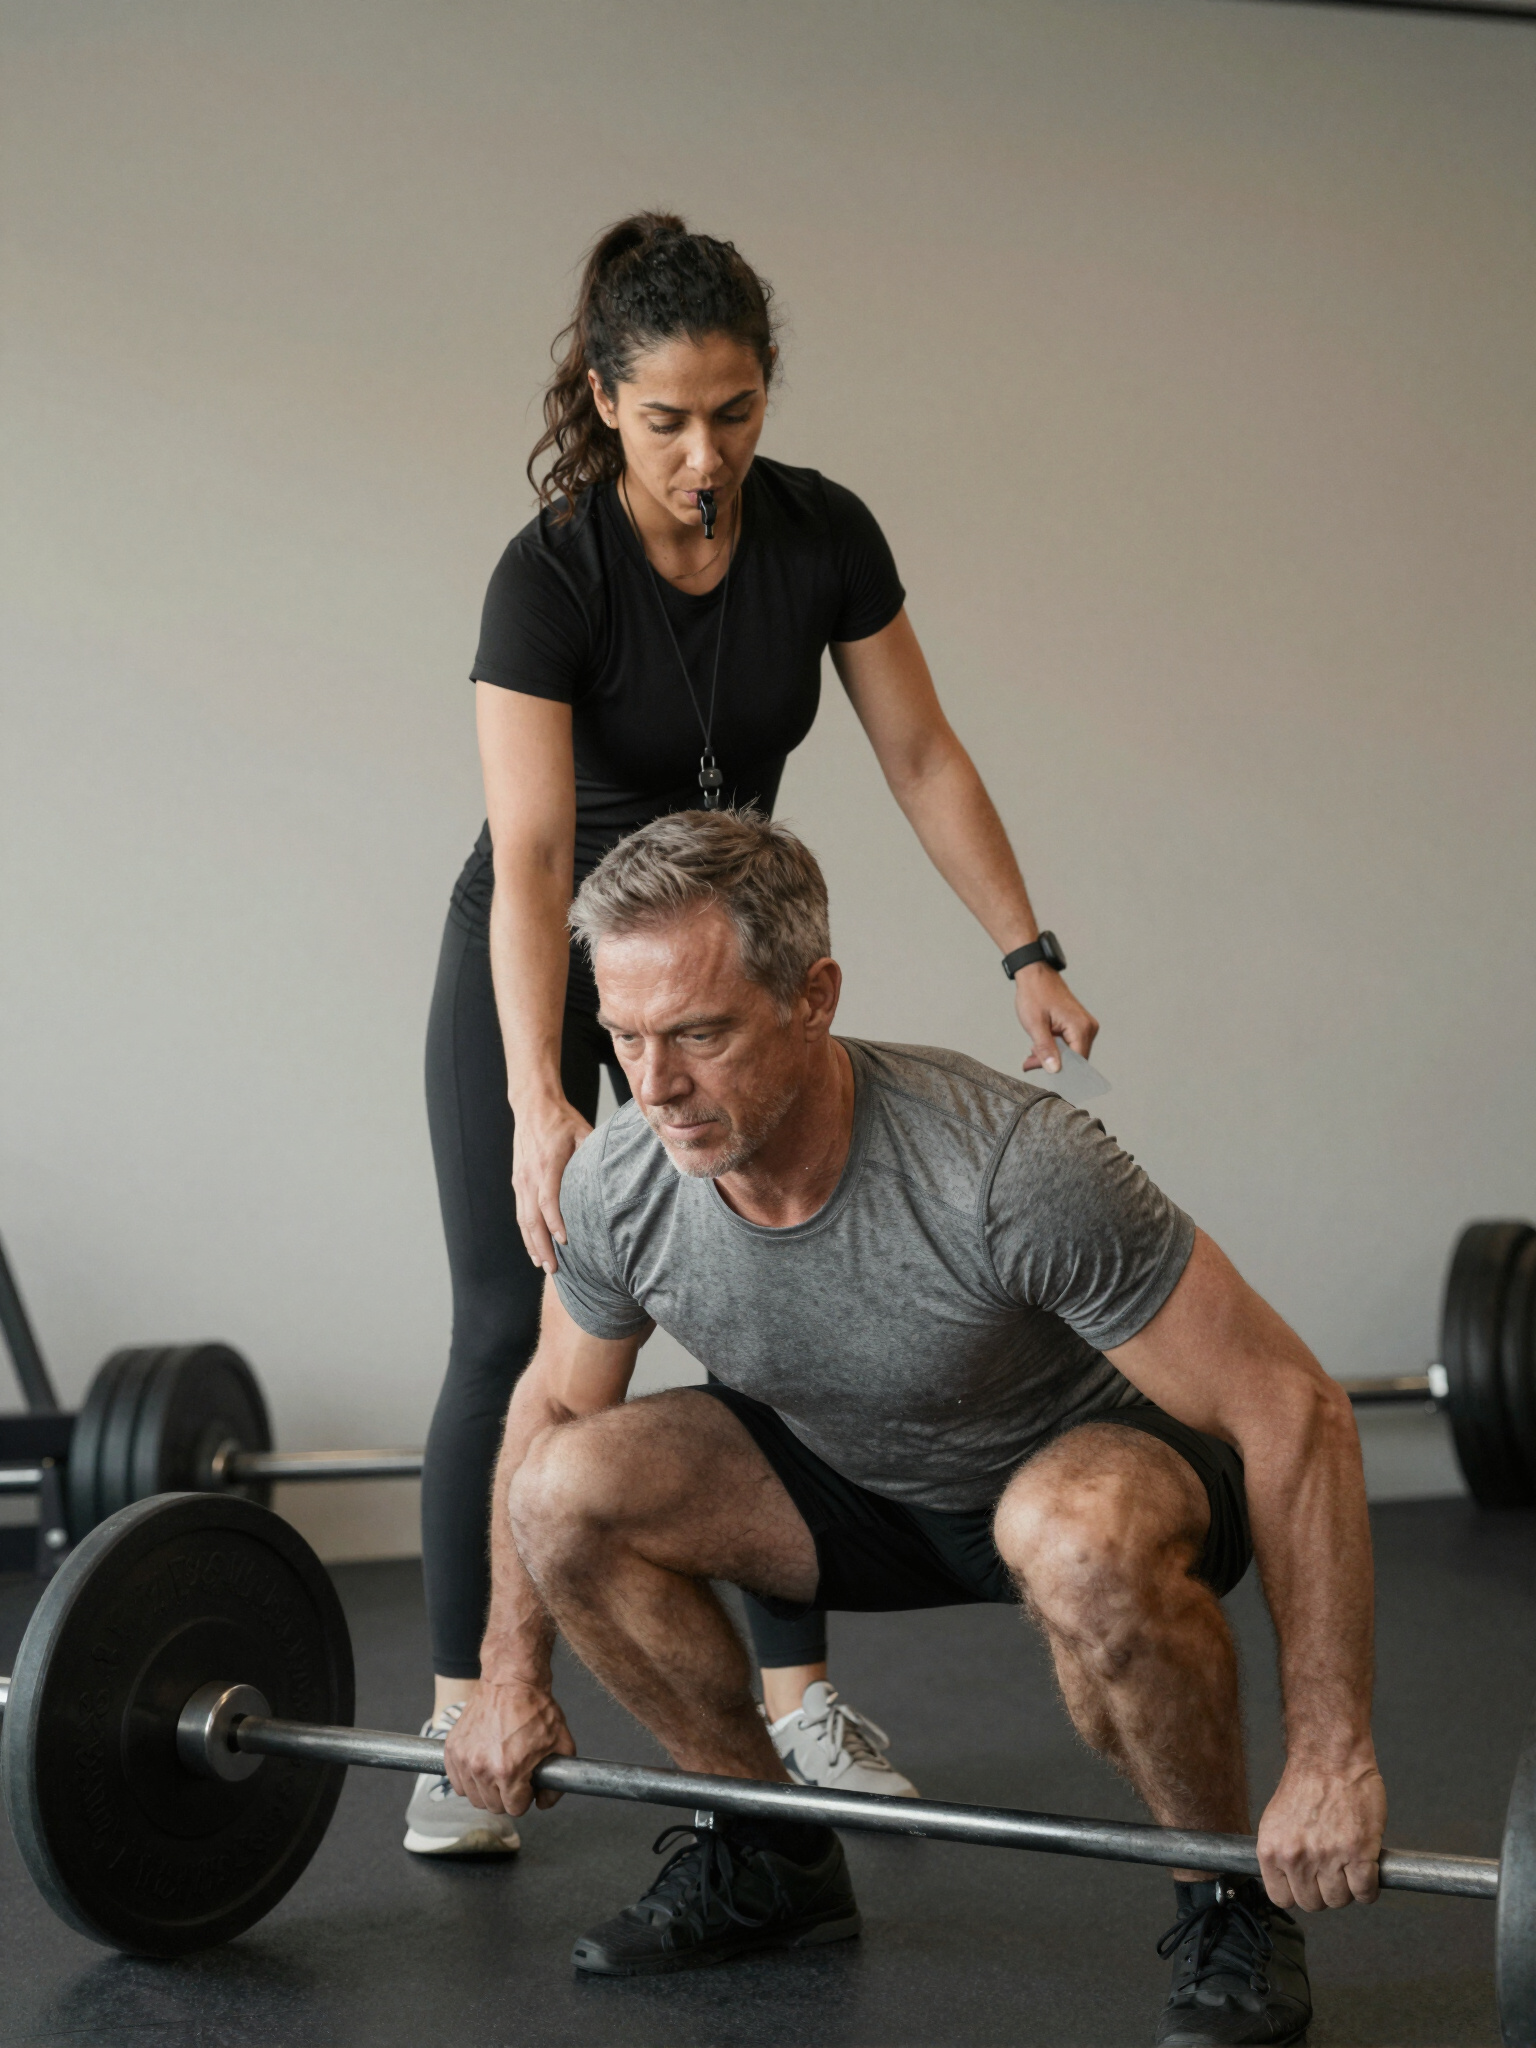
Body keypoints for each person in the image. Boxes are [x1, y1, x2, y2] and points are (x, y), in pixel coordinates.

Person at [444, 810, 1382, 2048]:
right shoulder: (627, 1178)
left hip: (1092, 1474)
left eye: (700, 1033)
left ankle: (1225, 1901)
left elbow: (1295, 1407)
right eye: (625, 1037)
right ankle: (769, 1849)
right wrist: (507, 1677)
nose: (654, 1084)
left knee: (1070, 1531)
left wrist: (1331, 1750)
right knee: (561, 1485)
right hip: (850, 1478)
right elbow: (557, 1403)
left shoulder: (1004, 1167)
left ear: (814, 996)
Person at [408, 212, 1100, 1853]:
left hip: (719, 953)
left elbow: (921, 751)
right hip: (548, 952)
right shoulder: (551, 574)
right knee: (507, 1324)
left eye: (735, 412)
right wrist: (538, 1096)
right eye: (666, 420)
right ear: (604, 398)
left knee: (767, 1301)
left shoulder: (820, 533)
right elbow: (532, 857)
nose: (705, 455)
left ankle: (798, 1708)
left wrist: (1024, 946)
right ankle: (461, 1725)